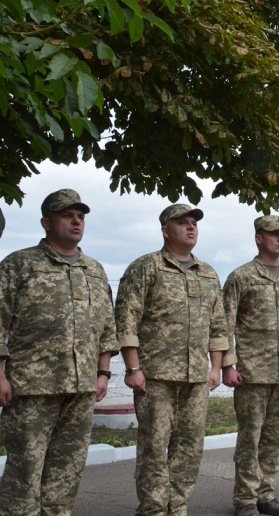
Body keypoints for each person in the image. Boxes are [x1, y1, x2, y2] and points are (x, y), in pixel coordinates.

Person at [0, 189, 119, 516]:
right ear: (46, 222)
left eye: (80, 215)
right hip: (32, 386)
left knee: (67, 469)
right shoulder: (19, 264)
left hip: (81, 388)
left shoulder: (94, 269)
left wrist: (103, 372)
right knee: (25, 469)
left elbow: (107, 325)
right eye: (67, 215)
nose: (76, 221)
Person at [115, 204, 229, 516]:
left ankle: (177, 507)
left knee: (190, 448)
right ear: (166, 230)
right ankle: (152, 509)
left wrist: (216, 367)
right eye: (182, 223)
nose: (191, 227)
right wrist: (133, 368)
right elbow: (127, 320)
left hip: (195, 378)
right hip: (155, 377)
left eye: (194, 223)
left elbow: (218, 325)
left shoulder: (207, 273)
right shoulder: (146, 267)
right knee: (154, 448)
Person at [221, 216, 279, 516]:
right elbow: (225, 323)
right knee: (250, 437)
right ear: (259, 238)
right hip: (251, 372)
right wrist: (228, 365)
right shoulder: (241, 276)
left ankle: (265, 494)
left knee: (273, 438)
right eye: (273, 234)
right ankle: (245, 500)